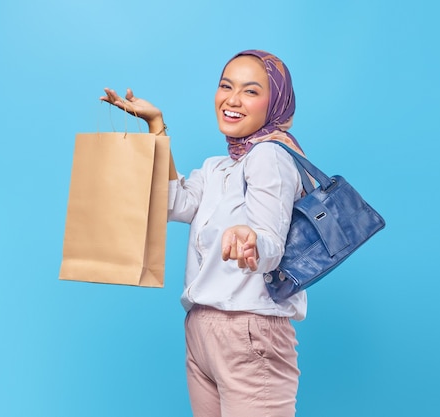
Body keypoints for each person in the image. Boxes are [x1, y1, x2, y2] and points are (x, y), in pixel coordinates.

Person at [101, 50, 307, 417]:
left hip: (249, 330)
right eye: (226, 86)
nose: (232, 99)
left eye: (250, 91)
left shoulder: (270, 156)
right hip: (203, 329)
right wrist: (156, 126)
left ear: (275, 102)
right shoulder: (218, 167)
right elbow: (172, 203)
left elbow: (271, 244)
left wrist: (249, 238)